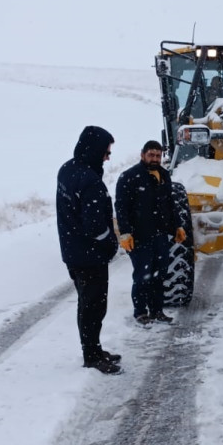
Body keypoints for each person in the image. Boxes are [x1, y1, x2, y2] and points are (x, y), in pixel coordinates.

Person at [56, 125, 122, 375]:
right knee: (94, 306)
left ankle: (93, 349)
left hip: (73, 251)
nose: (107, 157)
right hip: (89, 255)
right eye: (106, 152)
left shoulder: (67, 170)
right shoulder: (90, 180)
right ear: (94, 150)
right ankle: (91, 355)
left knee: (87, 303)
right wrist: (110, 243)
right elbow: (95, 225)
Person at [115, 141, 188, 325]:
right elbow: (121, 208)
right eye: (151, 155)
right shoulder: (130, 177)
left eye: (158, 155)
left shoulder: (163, 175)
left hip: (160, 235)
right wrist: (125, 233)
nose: (155, 159)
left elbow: (169, 204)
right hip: (139, 237)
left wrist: (177, 226)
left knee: (159, 274)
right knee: (142, 276)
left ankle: (157, 310)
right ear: (142, 155)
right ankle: (140, 312)